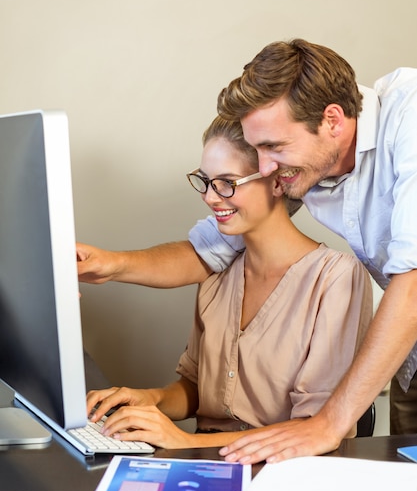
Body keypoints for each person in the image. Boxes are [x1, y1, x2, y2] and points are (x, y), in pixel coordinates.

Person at [77, 37, 417, 463]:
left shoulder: (409, 117)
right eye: (258, 151)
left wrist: (328, 423)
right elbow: (205, 250)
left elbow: (413, 282)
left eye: (273, 148)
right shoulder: (303, 162)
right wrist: (109, 265)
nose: (267, 167)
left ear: (333, 120)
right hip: (410, 356)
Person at [83, 116, 372, 451]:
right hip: (205, 457)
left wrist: (186, 441)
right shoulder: (216, 268)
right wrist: (151, 399)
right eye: (205, 181)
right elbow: (195, 386)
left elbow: (314, 427)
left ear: (278, 182)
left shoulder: (336, 277)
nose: (210, 197)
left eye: (227, 182)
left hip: (283, 468)